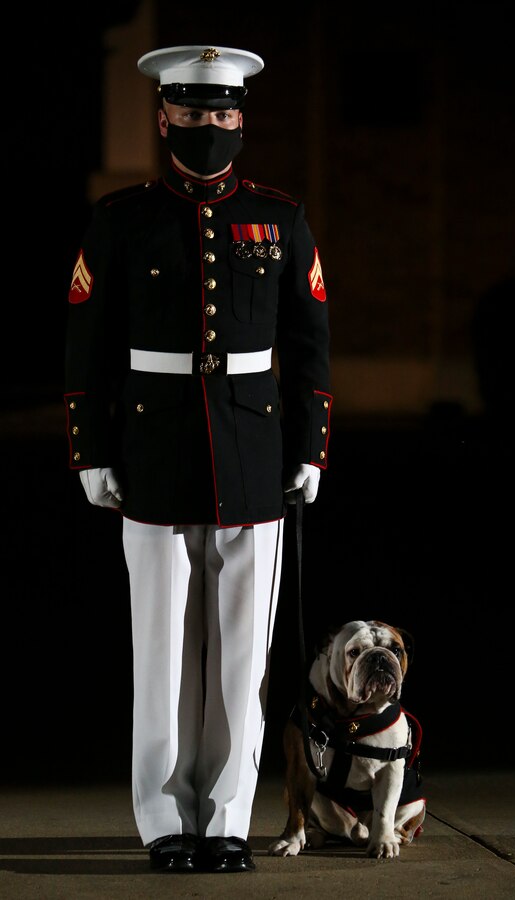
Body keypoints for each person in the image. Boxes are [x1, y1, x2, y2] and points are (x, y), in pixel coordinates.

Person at [64, 44, 332, 874]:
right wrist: (90, 450)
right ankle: (162, 820)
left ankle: (225, 821)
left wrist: (311, 447)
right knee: (163, 658)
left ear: (241, 119)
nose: (208, 124)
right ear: (163, 117)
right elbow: (88, 345)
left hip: (253, 452)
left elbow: (310, 343)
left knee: (242, 658)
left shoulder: (281, 218)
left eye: (222, 111)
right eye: (192, 110)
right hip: (151, 453)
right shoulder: (121, 220)